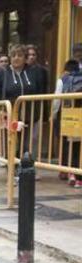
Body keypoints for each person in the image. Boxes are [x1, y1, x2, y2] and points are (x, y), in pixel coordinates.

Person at [53, 59, 82, 187]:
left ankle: (71, 173)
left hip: (69, 116)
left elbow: (57, 100)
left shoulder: (62, 80)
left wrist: (53, 115)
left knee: (69, 145)